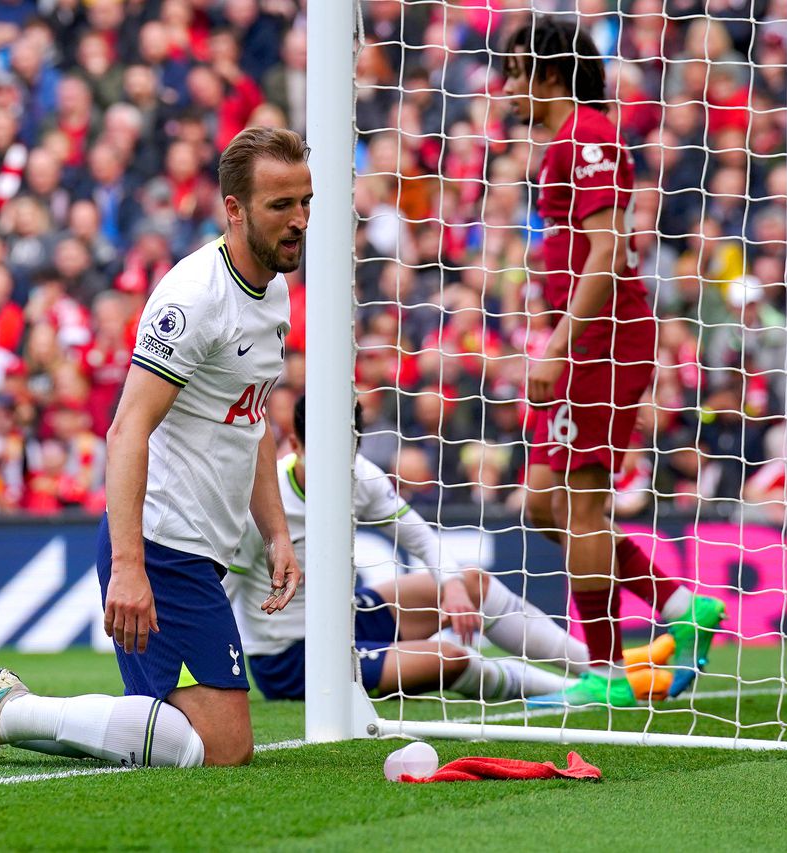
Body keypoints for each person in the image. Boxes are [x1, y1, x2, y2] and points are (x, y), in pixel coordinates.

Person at [0, 127, 311, 768]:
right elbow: (125, 429)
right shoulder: (194, 299)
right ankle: (4, 712)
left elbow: (250, 421)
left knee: (183, 737)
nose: (299, 221)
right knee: (222, 747)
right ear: (234, 209)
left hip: (198, 546)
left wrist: (275, 532)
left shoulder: (272, 286)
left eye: (305, 201)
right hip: (163, 543)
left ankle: (1, 713)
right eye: (282, 206)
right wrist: (131, 565)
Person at [501, 15, 724, 708]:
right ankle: (680, 603)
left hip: (602, 340)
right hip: (587, 337)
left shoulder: (588, 138)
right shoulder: (566, 142)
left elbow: (604, 253)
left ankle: (604, 671)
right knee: (545, 503)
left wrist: (557, 345)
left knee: (581, 502)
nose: (505, 87)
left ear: (546, 74)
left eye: (514, 72)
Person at [224, 396, 659, 702]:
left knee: (470, 583)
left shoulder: (362, 477)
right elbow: (223, 590)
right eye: (326, 454)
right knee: (450, 659)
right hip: (293, 657)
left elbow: (422, 539)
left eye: (349, 451)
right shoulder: (262, 502)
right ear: (295, 445)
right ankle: (569, 694)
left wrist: (450, 585)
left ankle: (604, 669)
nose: (342, 466)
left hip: (348, 619)